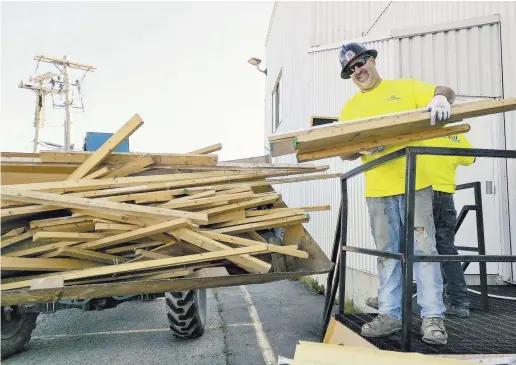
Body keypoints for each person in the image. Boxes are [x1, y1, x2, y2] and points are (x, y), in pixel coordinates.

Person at [337, 42, 456, 345]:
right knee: (388, 256)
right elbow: (344, 152)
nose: (357, 72)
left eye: (360, 64)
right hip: (378, 192)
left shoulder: (406, 88)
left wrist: (441, 97)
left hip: (416, 183)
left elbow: (443, 89)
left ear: (372, 60)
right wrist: (359, 148)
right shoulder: (350, 109)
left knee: (425, 251)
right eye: (351, 70)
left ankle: (433, 318)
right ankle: (391, 314)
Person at [365, 134, 476, 318]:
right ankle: (458, 301)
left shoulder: (423, 132)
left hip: (420, 193)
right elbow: (471, 158)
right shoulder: (456, 136)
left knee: (404, 247)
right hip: (444, 197)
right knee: (443, 248)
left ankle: (392, 298)